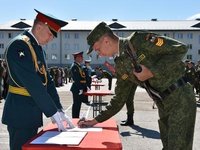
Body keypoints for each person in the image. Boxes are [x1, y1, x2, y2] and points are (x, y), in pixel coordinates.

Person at [78, 22, 197, 150]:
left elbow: (180, 49)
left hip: (180, 97)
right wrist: (95, 120)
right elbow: (119, 100)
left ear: (106, 41)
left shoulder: (139, 41)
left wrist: (152, 71)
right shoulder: (121, 65)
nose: (99, 54)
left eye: (97, 49)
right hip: (163, 104)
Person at [1, 9, 75, 150]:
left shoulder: (37, 48)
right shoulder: (20, 45)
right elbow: (32, 83)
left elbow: (47, 81)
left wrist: (58, 109)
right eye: (50, 34)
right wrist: (51, 111)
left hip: (31, 113)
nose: (51, 39)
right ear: (39, 27)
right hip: (20, 114)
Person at [70, 51, 89, 118]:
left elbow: (83, 78)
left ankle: (76, 117)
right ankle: (74, 118)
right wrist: (80, 88)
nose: (82, 58)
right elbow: (76, 79)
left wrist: (86, 86)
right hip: (77, 88)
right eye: (81, 57)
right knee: (76, 105)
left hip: (80, 88)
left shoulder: (79, 66)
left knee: (78, 105)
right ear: (77, 58)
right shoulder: (75, 66)